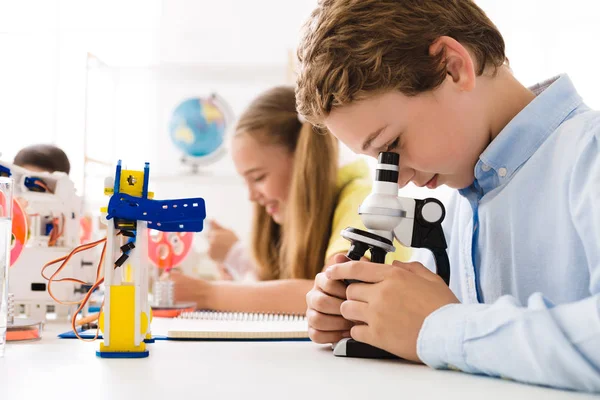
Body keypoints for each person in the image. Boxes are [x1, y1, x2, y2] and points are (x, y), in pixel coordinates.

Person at [295, 0, 600, 392]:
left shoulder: (589, 153)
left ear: (452, 67)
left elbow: (442, 327)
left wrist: (439, 327)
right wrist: (366, 318)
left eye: (393, 145)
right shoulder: (455, 199)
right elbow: (439, 338)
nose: (399, 181)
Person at [170, 86, 410, 315]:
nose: (252, 196)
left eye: (258, 177)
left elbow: (335, 294)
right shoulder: (294, 217)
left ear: (303, 160)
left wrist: (208, 294)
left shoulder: (365, 202)